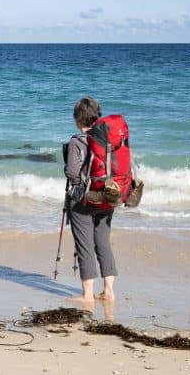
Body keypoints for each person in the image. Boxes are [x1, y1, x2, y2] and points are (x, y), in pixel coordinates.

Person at [63, 96, 117, 303]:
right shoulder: (108, 139)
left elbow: (72, 173)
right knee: (103, 241)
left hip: (84, 201)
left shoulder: (77, 141)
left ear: (77, 119)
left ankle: (88, 294)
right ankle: (109, 291)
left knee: (84, 244)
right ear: (97, 117)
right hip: (107, 196)